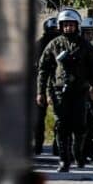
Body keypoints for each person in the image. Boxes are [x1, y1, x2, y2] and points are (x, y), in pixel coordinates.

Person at [37, 8, 93, 173]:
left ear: (77, 26)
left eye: (71, 25)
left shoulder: (85, 46)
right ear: (60, 26)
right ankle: (64, 160)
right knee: (61, 126)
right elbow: (43, 69)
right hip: (59, 92)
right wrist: (41, 92)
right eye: (65, 25)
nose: (68, 28)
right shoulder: (54, 44)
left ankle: (77, 153)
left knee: (80, 126)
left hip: (80, 91)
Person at [33, 15, 59, 155]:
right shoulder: (39, 45)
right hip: (42, 84)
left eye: (56, 29)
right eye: (52, 29)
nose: (54, 31)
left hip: (57, 84)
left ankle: (58, 146)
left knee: (60, 117)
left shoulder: (62, 44)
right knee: (38, 117)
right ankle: (38, 145)